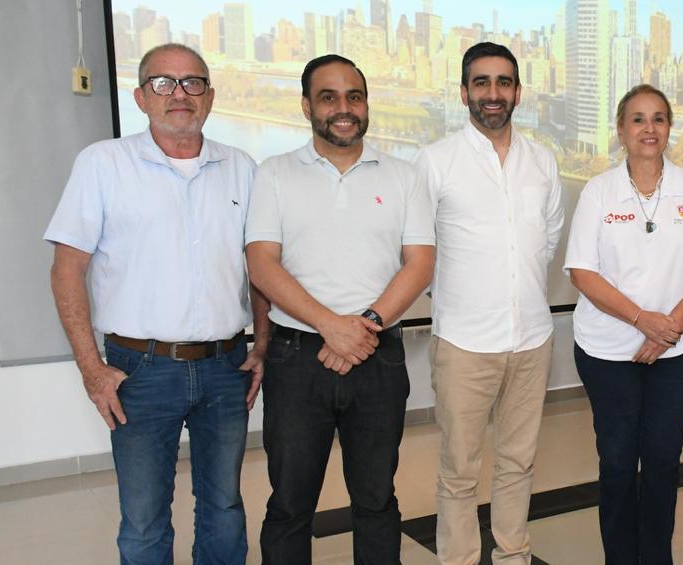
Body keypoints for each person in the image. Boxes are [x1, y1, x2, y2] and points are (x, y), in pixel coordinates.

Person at [45, 43, 265, 564]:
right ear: (141, 97)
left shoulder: (242, 168)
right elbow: (66, 271)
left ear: (209, 96)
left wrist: (265, 344)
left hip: (226, 367)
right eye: (163, 83)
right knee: (143, 520)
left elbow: (261, 268)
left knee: (225, 507)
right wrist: (90, 368)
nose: (179, 94)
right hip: (138, 370)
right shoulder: (103, 163)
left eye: (193, 83)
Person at [245, 54, 435, 564]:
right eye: (328, 97)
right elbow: (262, 265)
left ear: (366, 104)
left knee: (376, 501)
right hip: (296, 359)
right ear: (307, 106)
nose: (343, 108)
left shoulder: (403, 176)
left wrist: (365, 328)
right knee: (289, 504)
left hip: (378, 357)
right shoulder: (275, 174)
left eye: (354, 96)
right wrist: (332, 327)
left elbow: (419, 264)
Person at [412, 42, 564, 565]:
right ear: (464, 92)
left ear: (518, 92)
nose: (493, 94)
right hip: (464, 343)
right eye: (482, 83)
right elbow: (418, 250)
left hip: (531, 340)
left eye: (503, 83)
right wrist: (465, 294)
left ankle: (512, 557)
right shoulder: (435, 162)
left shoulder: (542, 160)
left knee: (518, 463)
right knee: (459, 470)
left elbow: (546, 240)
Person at [565, 84, 683, 565]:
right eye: (638, 119)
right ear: (621, 130)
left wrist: (669, 328)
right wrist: (642, 320)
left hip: (679, 350)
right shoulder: (599, 192)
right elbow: (582, 272)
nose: (649, 128)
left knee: (660, 462)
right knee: (617, 462)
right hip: (607, 352)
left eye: (658, 118)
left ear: (670, 128)